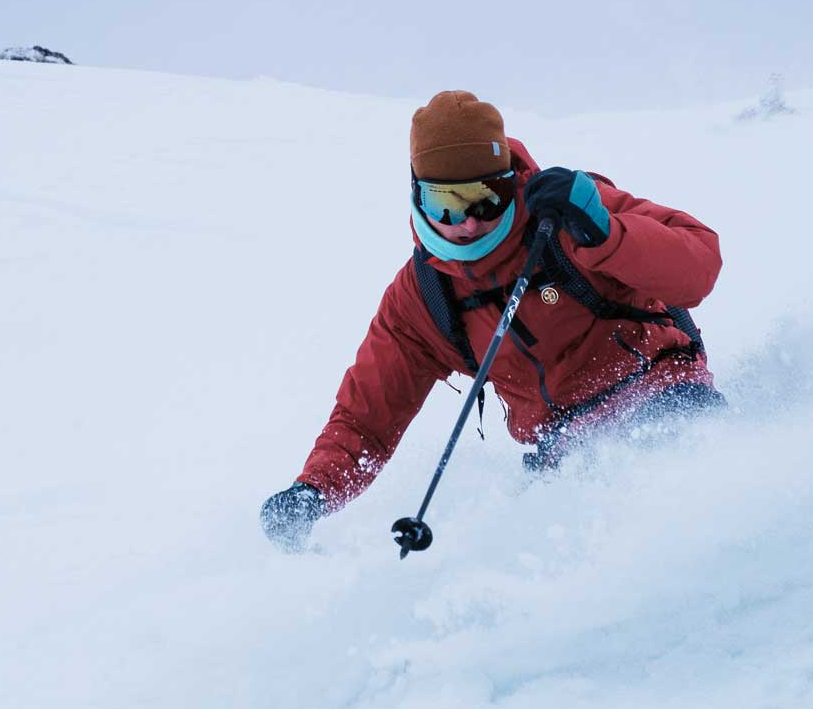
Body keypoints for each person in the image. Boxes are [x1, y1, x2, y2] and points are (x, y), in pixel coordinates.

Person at [260, 90, 724, 552]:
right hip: (562, 450)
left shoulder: (568, 213)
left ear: (509, 182)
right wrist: (314, 491)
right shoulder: (423, 298)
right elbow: (368, 415)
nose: (467, 223)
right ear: (417, 195)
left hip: (664, 399)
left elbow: (699, 265)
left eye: (486, 198)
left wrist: (604, 231)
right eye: (447, 203)